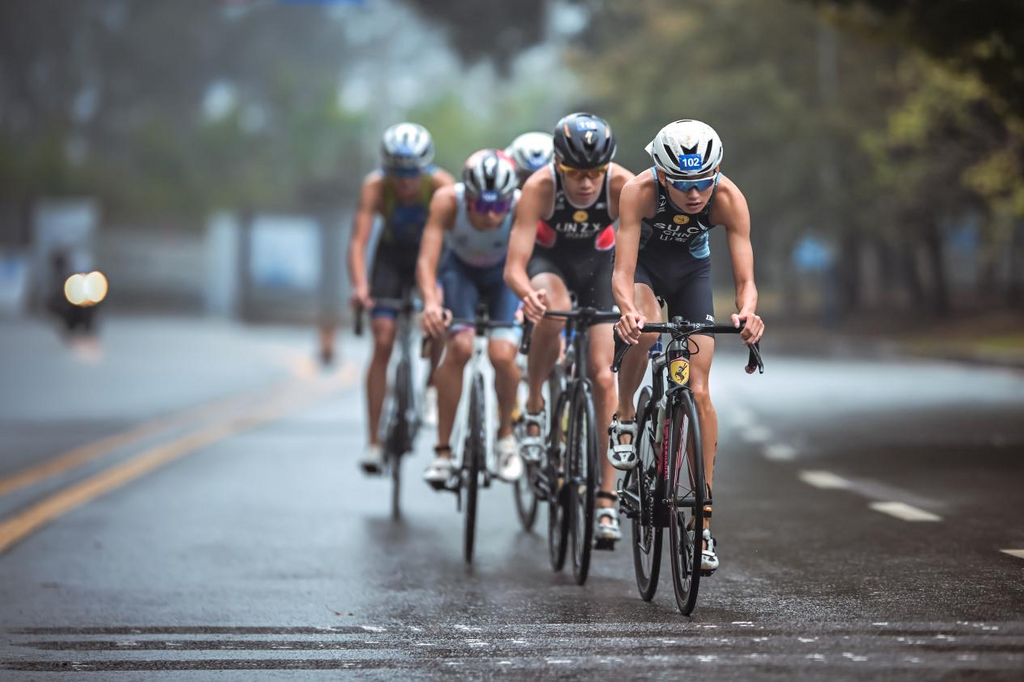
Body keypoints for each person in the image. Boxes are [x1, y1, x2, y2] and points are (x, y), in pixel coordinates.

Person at [610, 119, 765, 573]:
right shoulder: (637, 192)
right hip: (644, 272)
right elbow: (621, 272)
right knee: (649, 327)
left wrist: (748, 313)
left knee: (698, 391)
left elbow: (746, 281)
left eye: (703, 182)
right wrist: (627, 310)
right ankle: (624, 415)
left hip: (692, 276)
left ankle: (701, 523)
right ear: (661, 174)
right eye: (682, 184)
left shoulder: (729, 198)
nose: (695, 194)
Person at [503, 112, 635, 545]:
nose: (584, 184)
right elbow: (514, 268)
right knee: (553, 308)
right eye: (575, 174)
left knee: (602, 375)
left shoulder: (622, 186)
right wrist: (528, 295)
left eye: (593, 174)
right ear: (558, 166)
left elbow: (644, 254)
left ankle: (605, 501)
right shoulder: (538, 187)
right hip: (549, 265)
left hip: (599, 268)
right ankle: (537, 400)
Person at [347, 122, 455, 474]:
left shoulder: (440, 185)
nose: (406, 183)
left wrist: (441, 292)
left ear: (425, 169)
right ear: (386, 169)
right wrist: (361, 286)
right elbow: (359, 241)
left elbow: (457, 243)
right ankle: (373, 442)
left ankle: (429, 387)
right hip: (392, 258)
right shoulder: (375, 187)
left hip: (432, 254)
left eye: (413, 174)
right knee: (382, 338)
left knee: (440, 319)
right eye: (398, 174)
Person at [417, 149, 524, 487]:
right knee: (460, 347)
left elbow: (532, 259)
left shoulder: (523, 204)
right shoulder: (447, 201)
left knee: (502, 355)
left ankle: (506, 437)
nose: (491, 216)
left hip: (502, 277)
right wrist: (432, 303)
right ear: (468, 198)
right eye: (481, 206)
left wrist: (528, 298)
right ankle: (443, 452)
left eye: (498, 207)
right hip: (459, 272)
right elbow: (427, 262)